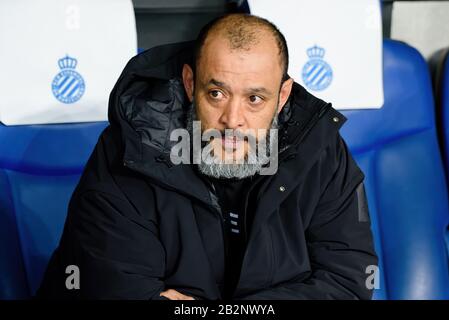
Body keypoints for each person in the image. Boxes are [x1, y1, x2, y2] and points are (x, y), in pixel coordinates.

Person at [37, 13, 378, 300]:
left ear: (283, 95)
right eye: (216, 93)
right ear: (190, 83)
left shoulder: (321, 151)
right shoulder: (129, 152)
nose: (232, 119)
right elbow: (119, 289)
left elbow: (349, 281)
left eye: (254, 99)